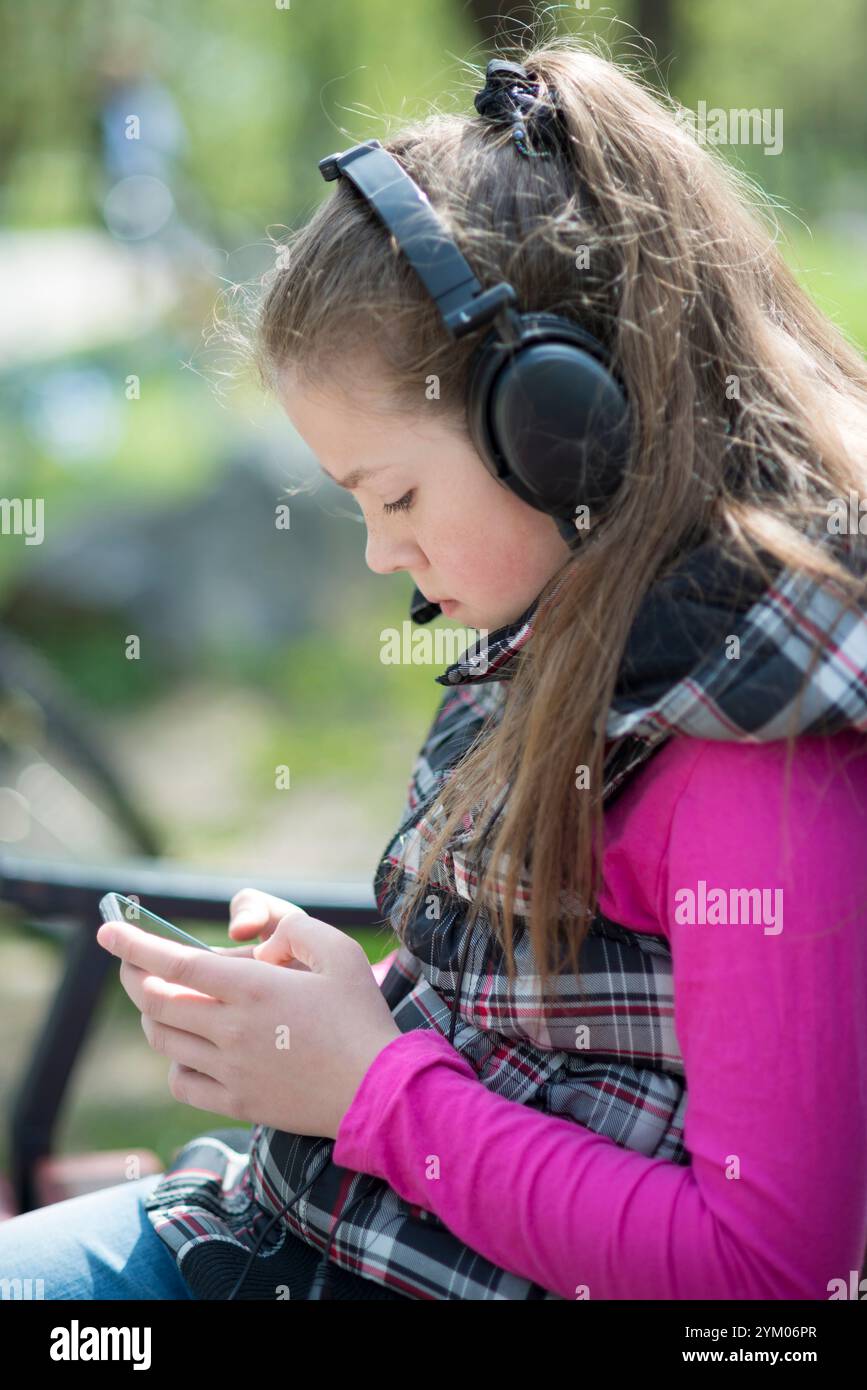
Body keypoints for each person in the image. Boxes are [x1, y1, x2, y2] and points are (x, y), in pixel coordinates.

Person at [3, 33, 867, 1301]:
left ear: (559, 427)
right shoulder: (582, 629)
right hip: (289, 1236)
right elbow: (540, 1042)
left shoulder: (756, 763)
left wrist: (366, 1087)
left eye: (395, 492)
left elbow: (764, 1275)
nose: (376, 554)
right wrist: (343, 1013)